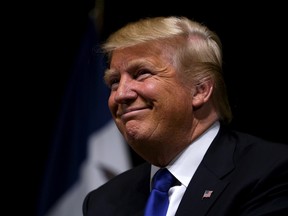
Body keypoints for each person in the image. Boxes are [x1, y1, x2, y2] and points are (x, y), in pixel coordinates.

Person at [82, 16, 288, 216]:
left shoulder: (271, 172)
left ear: (200, 90)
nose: (120, 94)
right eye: (114, 81)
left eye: (141, 73)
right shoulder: (103, 201)